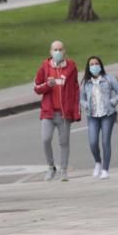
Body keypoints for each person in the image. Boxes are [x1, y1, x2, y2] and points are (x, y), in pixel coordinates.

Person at [34, 40, 80, 181]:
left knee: (64, 142)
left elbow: (75, 89)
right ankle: (51, 166)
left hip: (64, 113)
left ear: (64, 51)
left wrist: (76, 111)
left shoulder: (71, 66)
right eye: (55, 50)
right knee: (45, 139)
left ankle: (63, 170)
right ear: (50, 52)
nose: (58, 52)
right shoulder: (45, 66)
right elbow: (36, 87)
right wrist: (48, 85)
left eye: (60, 50)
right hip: (48, 112)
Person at [79, 56, 118, 179]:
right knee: (93, 142)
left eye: (96, 63)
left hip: (107, 114)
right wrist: (85, 104)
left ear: (100, 65)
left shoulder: (109, 79)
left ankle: (105, 169)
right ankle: (98, 162)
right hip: (92, 115)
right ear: (88, 67)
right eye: (92, 64)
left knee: (105, 141)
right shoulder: (85, 82)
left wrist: (113, 101)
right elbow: (81, 99)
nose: (94, 66)